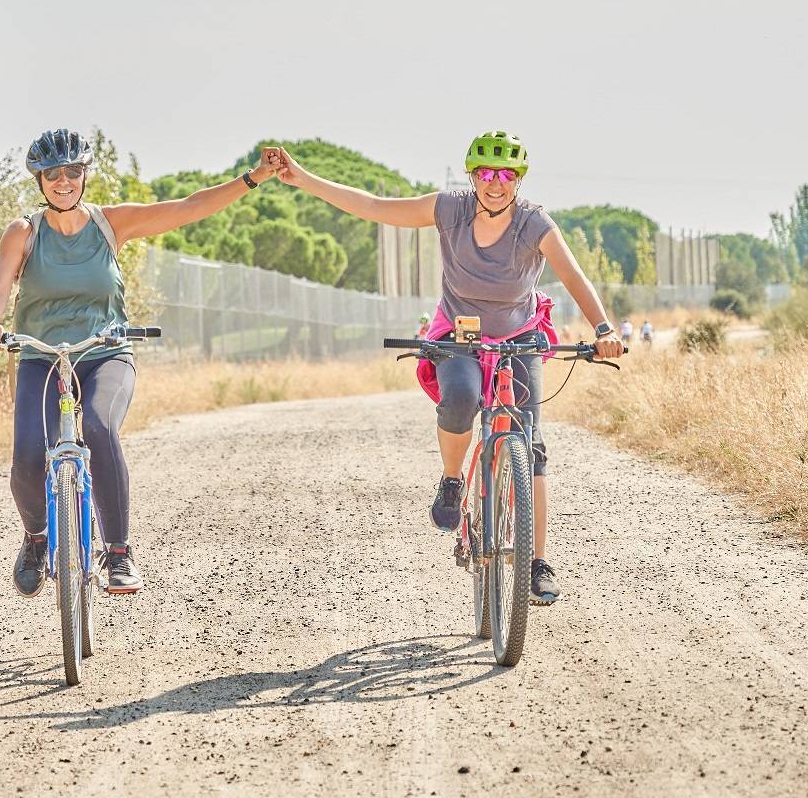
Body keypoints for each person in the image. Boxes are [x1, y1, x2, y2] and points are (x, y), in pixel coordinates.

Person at [266, 132, 624, 604]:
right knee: (458, 400)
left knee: (531, 445)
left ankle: (537, 562)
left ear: (518, 180)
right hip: (460, 335)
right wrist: (304, 179)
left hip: (520, 335)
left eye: (505, 175)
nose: (495, 184)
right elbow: (374, 206)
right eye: (485, 174)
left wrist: (603, 329)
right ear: (473, 175)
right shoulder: (450, 209)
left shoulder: (534, 223)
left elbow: (574, 274)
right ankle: (453, 480)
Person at [0, 129, 278, 598]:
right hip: (42, 357)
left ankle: (118, 552)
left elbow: (187, 208)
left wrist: (252, 179)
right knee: (29, 456)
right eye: (52, 174)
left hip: (104, 354)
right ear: (39, 180)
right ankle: (36, 540)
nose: (63, 181)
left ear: (84, 175)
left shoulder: (111, 224)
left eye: (72, 171)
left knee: (97, 425)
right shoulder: (24, 232)